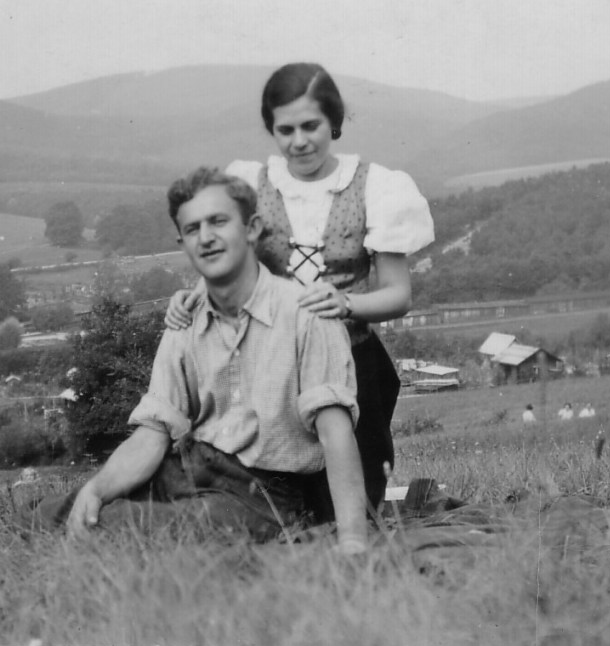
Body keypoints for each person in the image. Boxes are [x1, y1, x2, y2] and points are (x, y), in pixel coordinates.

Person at [26, 168, 368, 555]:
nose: (205, 237)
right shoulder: (185, 321)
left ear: (252, 229)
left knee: (114, 526)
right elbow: (154, 432)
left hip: (264, 497)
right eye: (192, 229)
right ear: (183, 243)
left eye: (218, 222)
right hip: (188, 470)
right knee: (59, 512)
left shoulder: (307, 314)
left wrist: (353, 540)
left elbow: (335, 432)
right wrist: (95, 489)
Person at [166, 62, 434, 512]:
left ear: (334, 122)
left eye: (311, 126)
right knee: (281, 495)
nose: (299, 141)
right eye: (285, 130)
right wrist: (192, 298)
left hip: (351, 360)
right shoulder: (251, 184)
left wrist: (346, 302)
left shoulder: (376, 187)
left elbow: (398, 295)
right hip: (270, 364)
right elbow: (226, 265)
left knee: (353, 495)